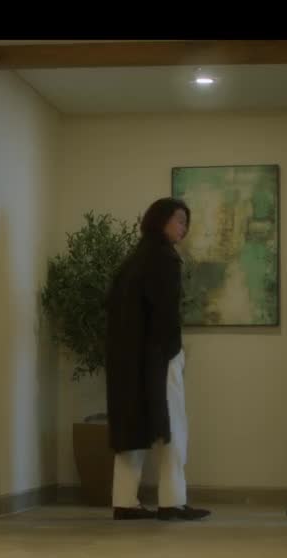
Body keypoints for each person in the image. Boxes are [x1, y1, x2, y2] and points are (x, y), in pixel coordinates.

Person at [104, 197, 211, 521]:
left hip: (126, 359)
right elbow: (166, 314)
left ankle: (124, 502)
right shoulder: (165, 259)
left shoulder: (132, 260)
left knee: (132, 427)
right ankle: (172, 501)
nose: (184, 228)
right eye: (179, 220)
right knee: (173, 427)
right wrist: (174, 354)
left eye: (186, 222)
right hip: (158, 357)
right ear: (160, 220)